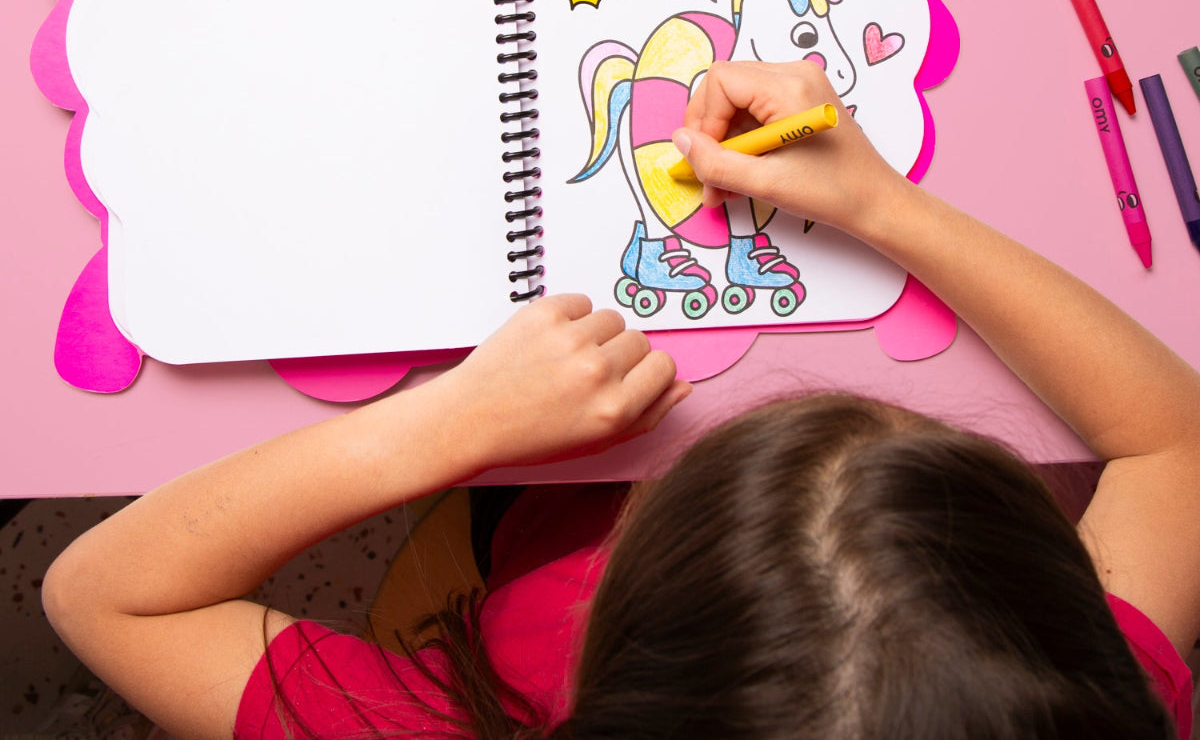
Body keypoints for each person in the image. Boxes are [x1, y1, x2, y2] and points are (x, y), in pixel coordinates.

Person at [42, 60, 1200, 739]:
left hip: (501, 496)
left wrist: (447, 427)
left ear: (615, 649)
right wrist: (885, 206)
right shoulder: (1074, 699)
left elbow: (106, 598)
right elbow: (1178, 444)